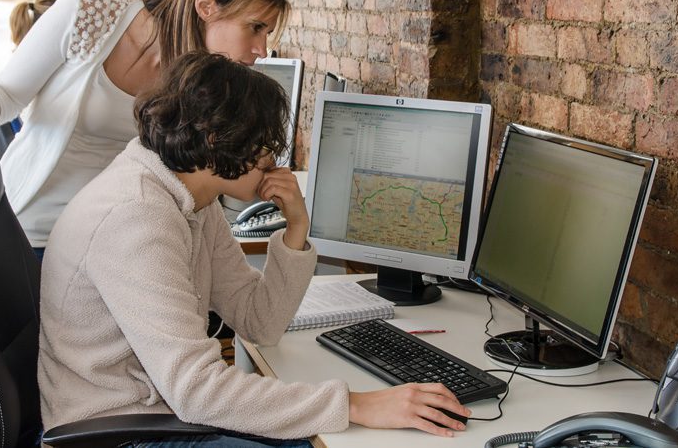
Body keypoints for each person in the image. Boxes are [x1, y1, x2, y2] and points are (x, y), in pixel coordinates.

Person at [38, 51, 472, 447]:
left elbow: (258, 322)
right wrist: (355, 404)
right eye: (264, 144)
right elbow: (196, 391)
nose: (274, 158)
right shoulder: (136, 218)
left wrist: (297, 228)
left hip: (167, 412)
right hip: (125, 433)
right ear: (216, 140)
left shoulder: (193, 196)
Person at [0, 0, 288, 257]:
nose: (261, 49)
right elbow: (8, 91)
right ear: (206, 6)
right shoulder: (89, 14)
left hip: (113, 242)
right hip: (32, 231)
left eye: (267, 33)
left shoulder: (204, 82)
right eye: (255, 27)